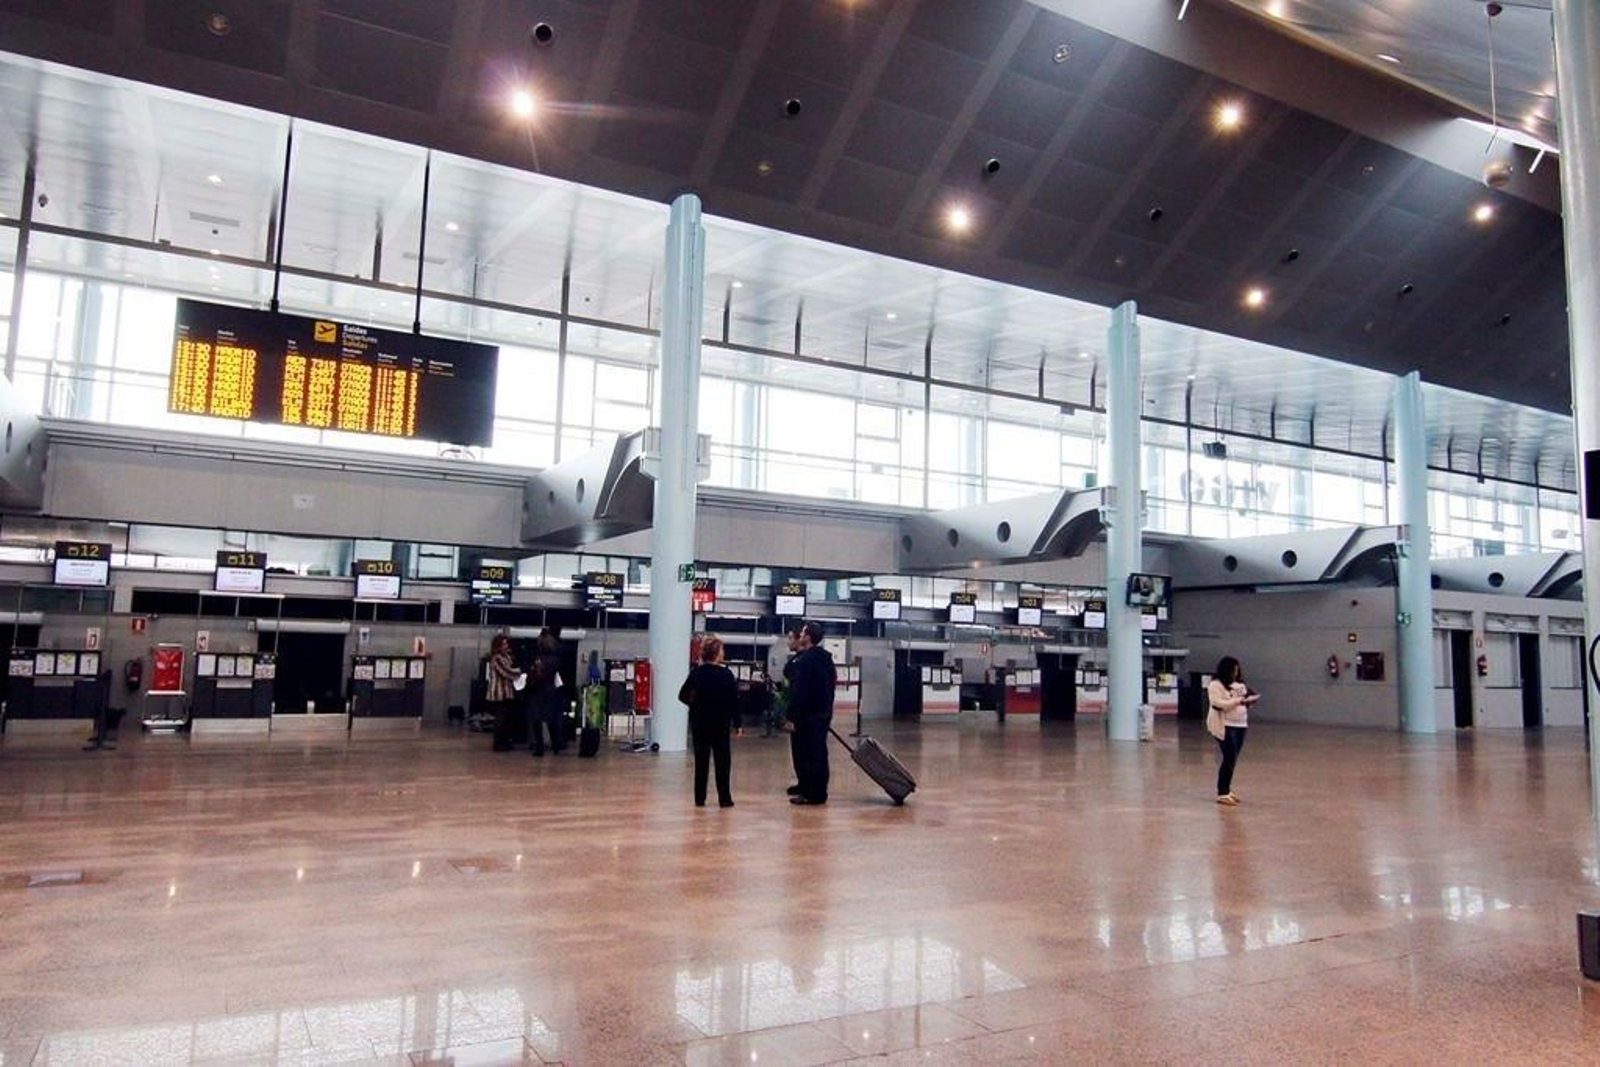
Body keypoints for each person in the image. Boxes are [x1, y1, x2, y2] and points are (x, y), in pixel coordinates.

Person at [679, 635, 740, 808]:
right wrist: (738, 723)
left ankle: (700, 798)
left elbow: (682, 695)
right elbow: (734, 701)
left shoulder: (696, 673)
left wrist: (696, 705)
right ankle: (724, 798)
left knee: (701, 762)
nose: (724, 653)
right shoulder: (726, 674)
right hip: (721, 724)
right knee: (723, 762)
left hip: (700, 723)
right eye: (722, 650)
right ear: (715, 653)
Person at [786, 621, 836, 806]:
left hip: (807, 716)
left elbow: (800, 691)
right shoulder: (825, 658)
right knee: (819, 753)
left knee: (808, 754)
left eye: (803, 633)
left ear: (807, 637)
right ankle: (816, 789)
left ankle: (812, 793)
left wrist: (791, 715)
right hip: (822, 712)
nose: (800, 636)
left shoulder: (806, 660)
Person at [1207, 656, 1259, 806]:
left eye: (1237, 670)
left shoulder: (1239, 685)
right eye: (1233, 670)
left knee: (1233, 757)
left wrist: (1249, 701)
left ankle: (1227, 789)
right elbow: (1218, 704)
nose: (1236, 673)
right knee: (1229, 757)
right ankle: (1222, 792)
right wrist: (1238, 701)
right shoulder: (1215, 685)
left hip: (1240, 725)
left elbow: (1245, 698)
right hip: (1225, 725)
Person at [528, 630, 565, 756]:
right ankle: (556, 746)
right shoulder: (556, 659)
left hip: (538, 691)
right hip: (551, 691)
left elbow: (536, 676)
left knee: (537, 720)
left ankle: (539, 748)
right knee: (551, 720)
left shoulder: (538, 659)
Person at [486, 635, 523, 752]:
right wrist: (521, 671)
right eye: (504, 644)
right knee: (500, 718)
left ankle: (505, 741)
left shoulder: (507, 656)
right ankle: (498, 743)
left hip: (507, 692)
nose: (506, 646)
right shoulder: (496, 658)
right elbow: (507, 672)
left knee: (506, 718)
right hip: (498, 692)